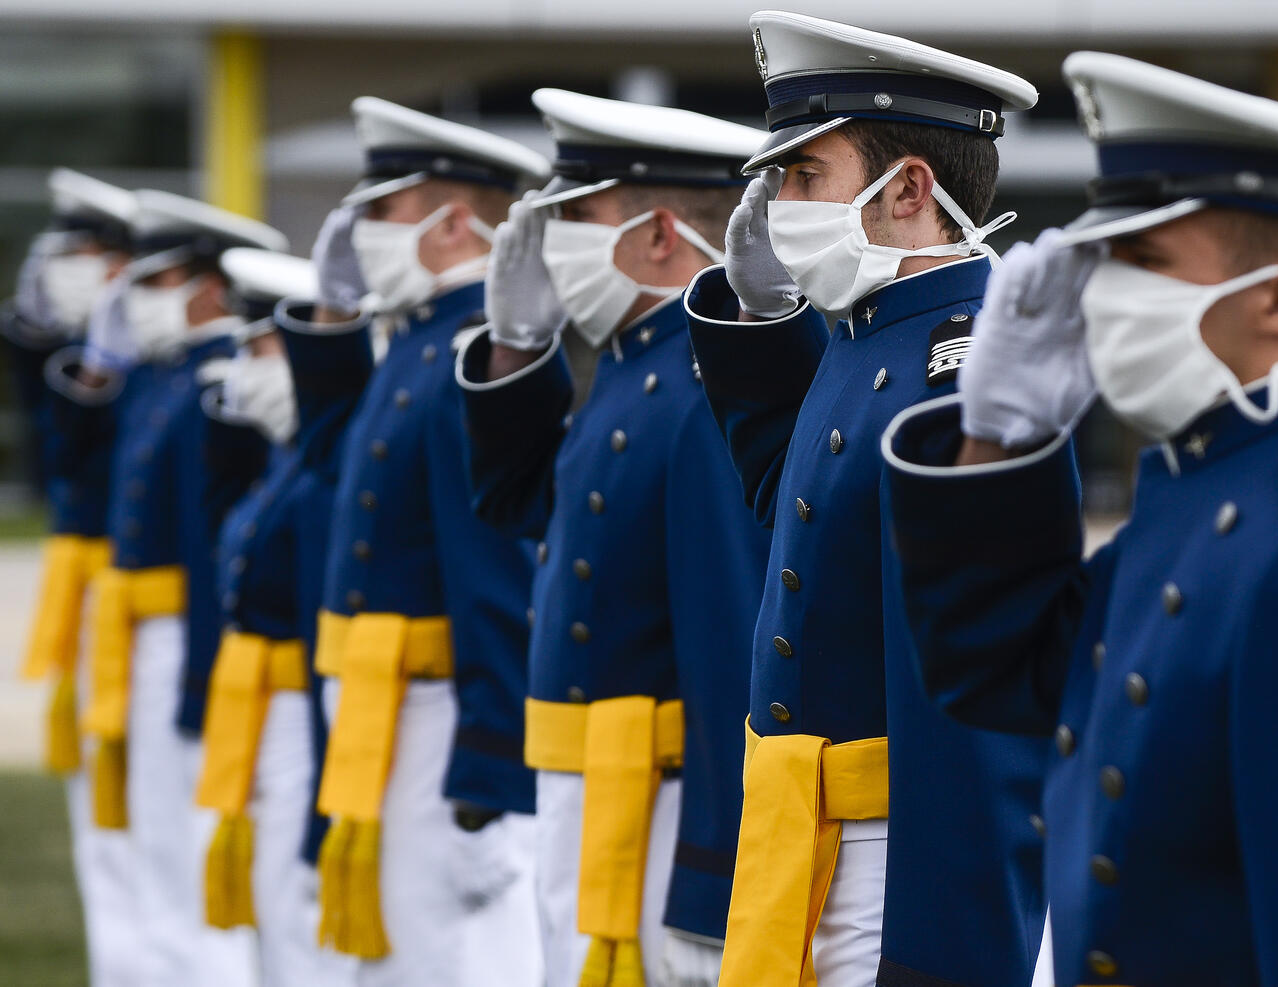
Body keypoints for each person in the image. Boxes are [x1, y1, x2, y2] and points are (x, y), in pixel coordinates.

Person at [882, 51, 1278, 985]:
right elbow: (1001, 671)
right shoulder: (1207, 472)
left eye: (1145, 259)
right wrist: (998, 435)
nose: (1106, 292)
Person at [682, 11, 1049, 984]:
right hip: (804, 839)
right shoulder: (862, 335)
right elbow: (791, 507)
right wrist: (757, 322)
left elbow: (979, 705)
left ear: (909, 188)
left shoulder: (973, 372)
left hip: (897, 864)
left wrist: (955, 949)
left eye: (805, 178)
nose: (778, 204)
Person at [454, 88, 770, 987]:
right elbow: (519, 505)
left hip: (665, 807)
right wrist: (517, 344)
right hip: (594, 789)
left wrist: (713, 881)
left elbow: (730, 642)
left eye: (573, 217)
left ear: (661, 233)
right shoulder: (634, 364)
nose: (549, 244)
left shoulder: (708, 384)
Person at [297, 95, 548, 985]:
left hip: (442, 715)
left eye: (382, 211)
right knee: (397, 955)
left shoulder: (474, 355)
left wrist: (485, 783)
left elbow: (496, 577)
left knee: (446, 957)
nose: (363, 231)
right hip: (386, 707)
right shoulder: (412, 343)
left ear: (449, 222)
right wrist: (328, 321)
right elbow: (326, 464)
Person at [49, 189, 285, 985]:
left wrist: (202, 685)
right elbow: (74, 471)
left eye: (159, 282)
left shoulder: (218, 388)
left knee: (184, 865)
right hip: (137, 636)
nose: (142, 301)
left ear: (212, 287)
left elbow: (207, 544)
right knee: (144, 848)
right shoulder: (164, 376)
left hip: (183, 640)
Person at [192, 246, 356, 986]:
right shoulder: (282, 461)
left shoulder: (321, 481)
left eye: (262, 350)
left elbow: (327, 638)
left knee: (296, 918)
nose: (247, 368)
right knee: (269, 911)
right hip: (263, 711)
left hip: (299, 718)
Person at [10, 168, 143, 987]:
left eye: (85, 252)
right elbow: (51, 445)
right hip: (90, 588)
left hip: (135, 599)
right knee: (98, 823)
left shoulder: (153, 365)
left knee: (139, 830)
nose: (69, 266)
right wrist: (35, 334)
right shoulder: (96, 356)